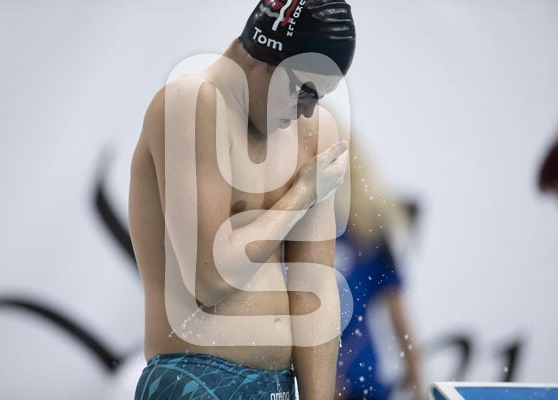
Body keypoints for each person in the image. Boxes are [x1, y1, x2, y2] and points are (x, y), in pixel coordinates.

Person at [128, 1, 356, 399]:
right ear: (260, 56)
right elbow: (210, 278)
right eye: (304, 90)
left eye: (319, 96)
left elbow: (314, 286)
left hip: (276, 387)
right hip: (194, 380)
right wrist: (302, 194)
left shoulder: (313, 131)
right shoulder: (191, 104)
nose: (308, 111)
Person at [335, 140, 425, 400]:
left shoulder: (369, 233)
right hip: (306, 383)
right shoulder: (292, 231)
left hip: (360, 384)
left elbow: (400, 317)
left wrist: (418, 387)